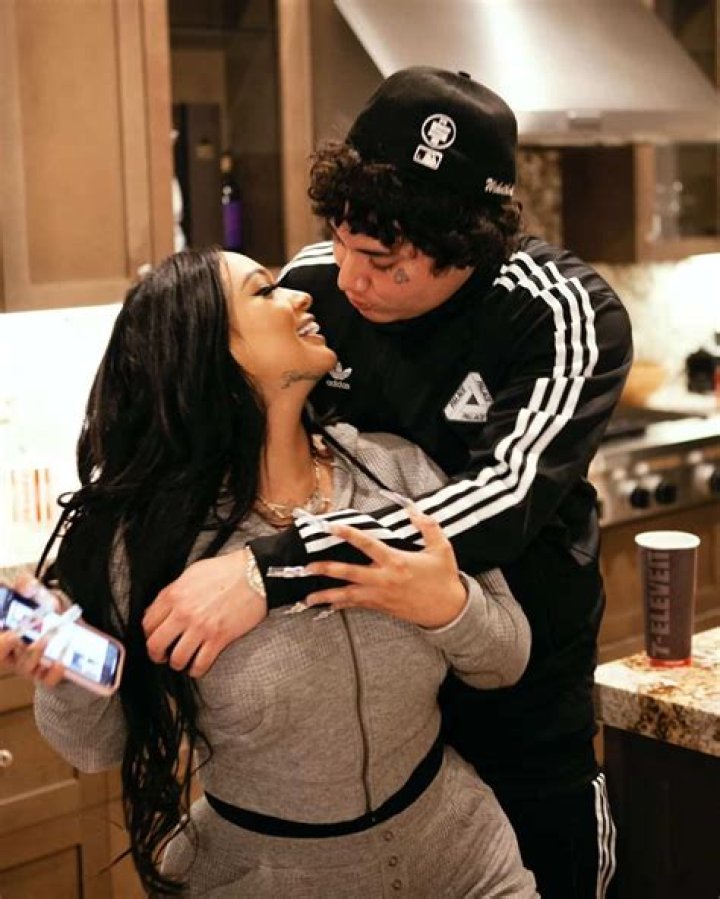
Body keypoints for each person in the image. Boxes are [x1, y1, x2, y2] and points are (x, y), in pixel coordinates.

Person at [142, 68, 633, 898]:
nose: (347, 277)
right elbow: (198, 413)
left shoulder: (556, 309)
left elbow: (501, 499)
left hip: (523, 705)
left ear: (469, 247)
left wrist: (269, 568)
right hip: (379, 724)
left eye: (381, 260)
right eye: (339, 239)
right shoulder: (318, 282)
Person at [28, 248, 537, 896]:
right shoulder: (153, 540)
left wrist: (447, 605)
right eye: (263, 291)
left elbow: (506, 658)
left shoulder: (395, 470)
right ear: (208, 349)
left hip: (467, 862)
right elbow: (96, 748)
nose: (301, 297)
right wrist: (62, 661)